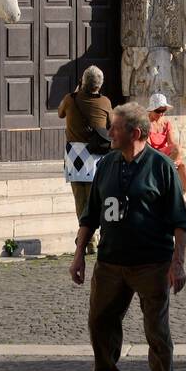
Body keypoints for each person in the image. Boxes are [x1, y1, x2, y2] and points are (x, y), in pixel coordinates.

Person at [71, 101, 186, 371]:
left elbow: (180, 221)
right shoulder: (107, 164)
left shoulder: (162, 167)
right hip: (110, 264)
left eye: (115, 127)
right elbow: (90, 214)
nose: (109, 132)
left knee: (157, 333)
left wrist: (177, 264)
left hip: (152, 264)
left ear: (135, 133)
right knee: (100, 324)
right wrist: (79, 254)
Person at [58, 66, 113, 255]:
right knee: (93, 200)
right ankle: (90, 237)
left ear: (82, 82)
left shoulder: (70, 99)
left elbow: (60, 113)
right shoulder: (105, 102)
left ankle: (87, 238)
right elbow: (110, 124)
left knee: (80, 200)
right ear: (99, 85)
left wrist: (75, 93)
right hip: (95, 155)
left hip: (75, 155)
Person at [146, 94, 186, 207]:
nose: (161, 113)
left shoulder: (166, 123)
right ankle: (170, 169)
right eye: (158, 110)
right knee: (176, 149)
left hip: (165, 156)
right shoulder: (145, 123)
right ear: (152, 110)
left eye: (163, 110)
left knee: (182, 166)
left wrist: (176, 158)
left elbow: (171, 143)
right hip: (152, 156)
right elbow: (148, 148)